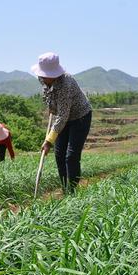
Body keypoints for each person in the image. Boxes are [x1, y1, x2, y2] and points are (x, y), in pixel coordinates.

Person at [32, 52, 92, 193]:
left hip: (80, 117)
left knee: (71, 156)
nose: (42, 77)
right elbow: (50, 98)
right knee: (59, 154)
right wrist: (51, 107)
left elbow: (63, 116)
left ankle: (72, 191)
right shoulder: (44, 80)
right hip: (62, 117)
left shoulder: (66, 84)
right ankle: (65, 188)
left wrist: (48, 140)